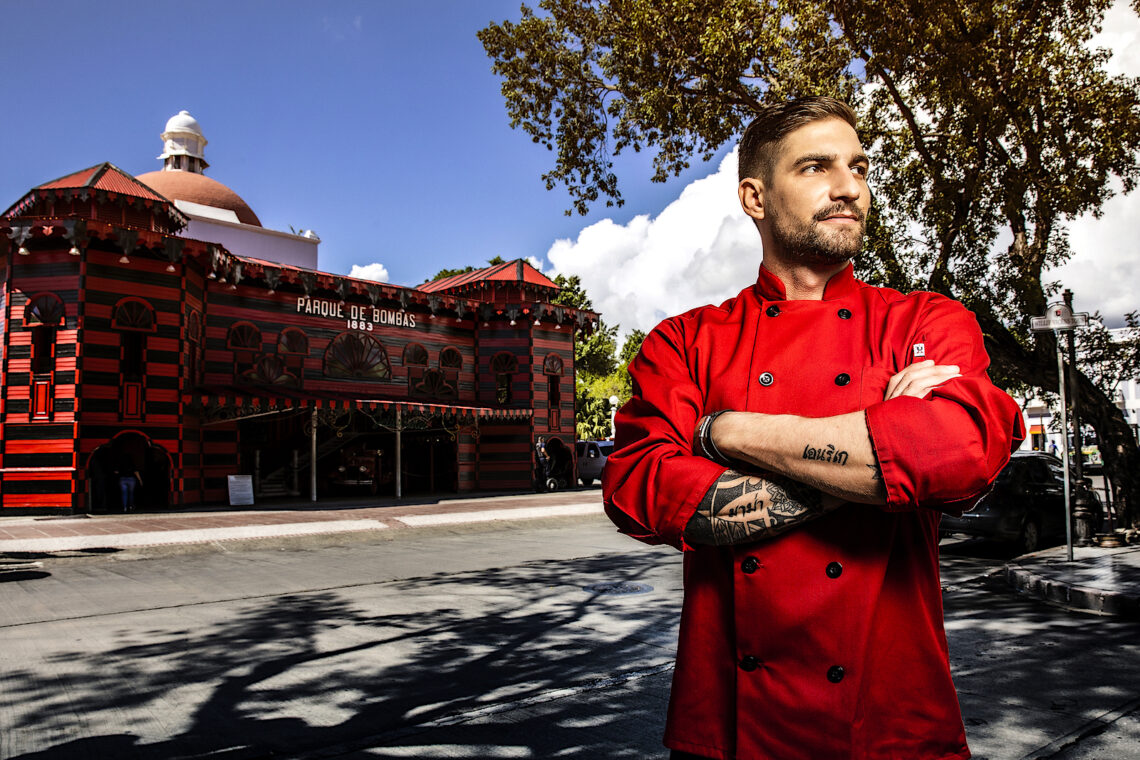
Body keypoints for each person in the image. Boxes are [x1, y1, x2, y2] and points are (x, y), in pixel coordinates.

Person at [602, 97, 1025, 760]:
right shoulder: (683, 342)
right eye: (816, 167)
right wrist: (887, 459)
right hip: (733, 737)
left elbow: (961, 449)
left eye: (858, 167)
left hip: (894, 728)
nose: (849, 186)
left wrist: (725, 434)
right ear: (755, 196)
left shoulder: (922, 321)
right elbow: (640, 486)